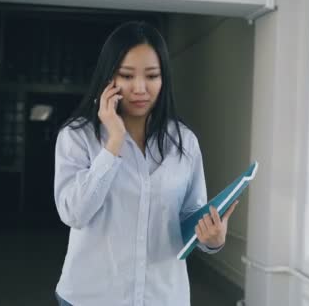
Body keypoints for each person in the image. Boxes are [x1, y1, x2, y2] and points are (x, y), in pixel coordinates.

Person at [53, 21, 239, 306]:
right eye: (126, 76)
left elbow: (191, 217)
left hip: (163, 297)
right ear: (109, 78)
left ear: (164, 79)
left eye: (152, 76)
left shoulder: (184, 142)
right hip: (91, 298)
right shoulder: (78, 137)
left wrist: (213, 239)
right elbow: (74, 214)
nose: (140, 88)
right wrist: (113, 142)